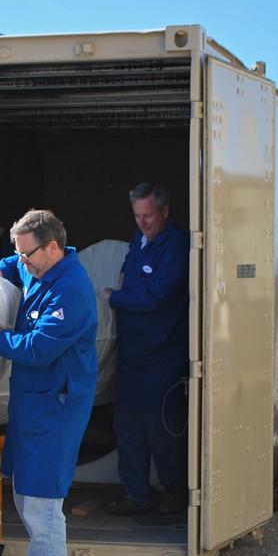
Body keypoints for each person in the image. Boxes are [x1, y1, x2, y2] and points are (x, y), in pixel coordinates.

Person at [0, 209, 97, 556]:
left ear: (53, 247)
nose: (21, 263)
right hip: (32, 402)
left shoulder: (72, 291)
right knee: (25, 492)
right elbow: (11, 266)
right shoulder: (36, 267)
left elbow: (40, 349)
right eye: (19, 254)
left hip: (56, 405)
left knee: (43, 499)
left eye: (28, 256)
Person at [102, 183, 189, 516]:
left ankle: (175, 491)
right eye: (137, 216)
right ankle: (135, 495)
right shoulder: (140, 240)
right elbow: (128, 271)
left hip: (162, 356)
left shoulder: (176, 246)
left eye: (148, 215)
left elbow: (157, 296)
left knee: (161, 429)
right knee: (128, 427)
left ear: (165, 211)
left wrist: (116, 297)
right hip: (133, 355)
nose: (143, 222)